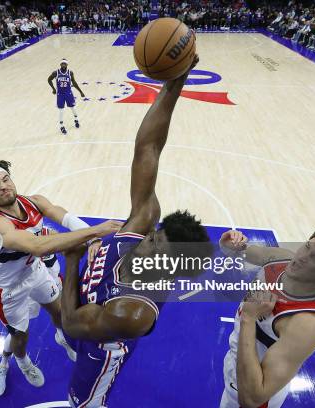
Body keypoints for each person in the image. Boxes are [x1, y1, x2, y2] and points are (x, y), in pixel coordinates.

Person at [60, 56, 212, 408]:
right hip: (94, 311)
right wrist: (176, 80)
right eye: (156, 239)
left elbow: (70, 323)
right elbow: (148, 148)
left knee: (83, 403)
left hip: (103, 344)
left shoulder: (131, 312)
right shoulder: (143, 221)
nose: (148, 246)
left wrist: (72, 261)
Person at [0, 157, 122, 396]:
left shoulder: (33, 201)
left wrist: (92, 237)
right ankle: (21, 363)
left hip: (36, 270)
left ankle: (62, 338)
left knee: (60, 311)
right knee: (20, 335)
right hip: (9, 287)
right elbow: (37, 246)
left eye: (6, 179)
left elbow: (62, 215)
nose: (4, 186)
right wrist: (96, 230)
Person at [218, 226, 315, 408]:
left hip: (250, 389)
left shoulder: (308, 323)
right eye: (308, 246)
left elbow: (253, 400)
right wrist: (230, 245)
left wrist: (248, 318)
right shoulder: (279, 259)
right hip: (237, 362)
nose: (302, 257)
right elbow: (238, 251)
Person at [47, 59, 85, 135]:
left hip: (68, 93)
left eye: (65, 64)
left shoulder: (70, 73)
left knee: (72, 107)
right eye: (62, 64)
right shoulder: (56, 73)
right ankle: (61, 126)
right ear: (60, 64)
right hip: (60, 94)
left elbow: (74, 83)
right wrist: (53, 89)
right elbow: (49, 79)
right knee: (61, 110)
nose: (63, 65)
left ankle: (76, 119)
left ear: (67, 65)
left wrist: (80, 91)